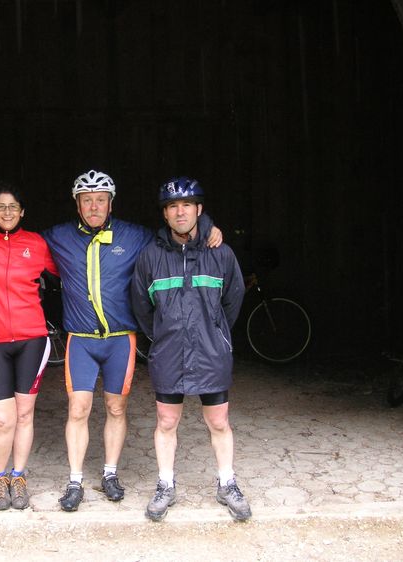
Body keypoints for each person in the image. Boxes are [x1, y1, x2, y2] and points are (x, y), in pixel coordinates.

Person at [0, 170, 221, 511]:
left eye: (101, 199)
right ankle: (75, 480)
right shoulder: (57, 237)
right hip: (82, 339)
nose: (94, 206)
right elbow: (14, 237)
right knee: (78, 409)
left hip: (120, 339)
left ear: (111, 203)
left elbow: (173, 233)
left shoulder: (134, 235)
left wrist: (208, 227)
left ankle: (110, 473)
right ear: (77, 204)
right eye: (86, 200)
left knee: (116, 407)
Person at [130, 177, 250, 522]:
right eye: (172, 206)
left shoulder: (220, 252)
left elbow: (234, 298)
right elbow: (141, 306)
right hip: (169, 352)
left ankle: (227, 483)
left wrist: (216, 331)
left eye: (186, 205)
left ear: (199, 209)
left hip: (211, 351)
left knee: (219, 420)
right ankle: (165, 485)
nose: (179, 212)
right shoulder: (150, 257)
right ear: (165, 214)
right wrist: (163, 335)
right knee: (167, 420)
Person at [0, 181, 59, 511]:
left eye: (13, 207)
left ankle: (18, 476)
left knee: (25, 413)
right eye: (1, 207)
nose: (7, 212)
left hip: (32, 338)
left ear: (22, 211)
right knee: (3, 419)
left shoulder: (37, 243)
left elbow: (71, 269)